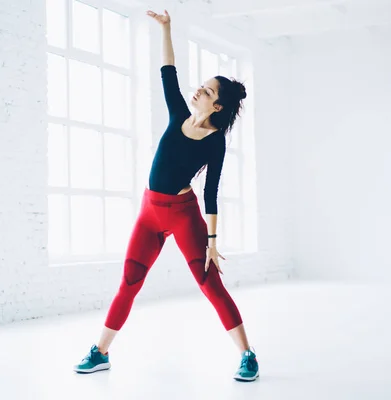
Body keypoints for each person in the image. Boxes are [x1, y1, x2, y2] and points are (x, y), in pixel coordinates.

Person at [73, 9, 259, 382]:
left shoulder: (214, 143)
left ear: (217, 106)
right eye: (202, 86)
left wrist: (211, 242)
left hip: (183, 214)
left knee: (210, 284)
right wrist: (167, 28)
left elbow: (211, 193)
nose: (198, 91)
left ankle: (248, 355)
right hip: (149, 212)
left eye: (207, 91)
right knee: (129, 281)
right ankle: (101, 352)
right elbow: (167, 70)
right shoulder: (178, 115)